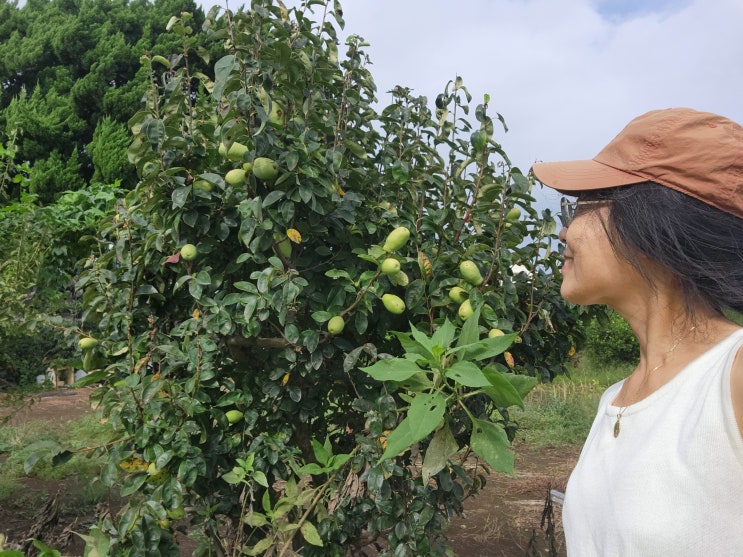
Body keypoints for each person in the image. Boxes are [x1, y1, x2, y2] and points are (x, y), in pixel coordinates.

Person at [530, 107, 743, 556]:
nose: (564, 232)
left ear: (651, 221)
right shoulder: (616, 398)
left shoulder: (733, 377)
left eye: (581, 205)